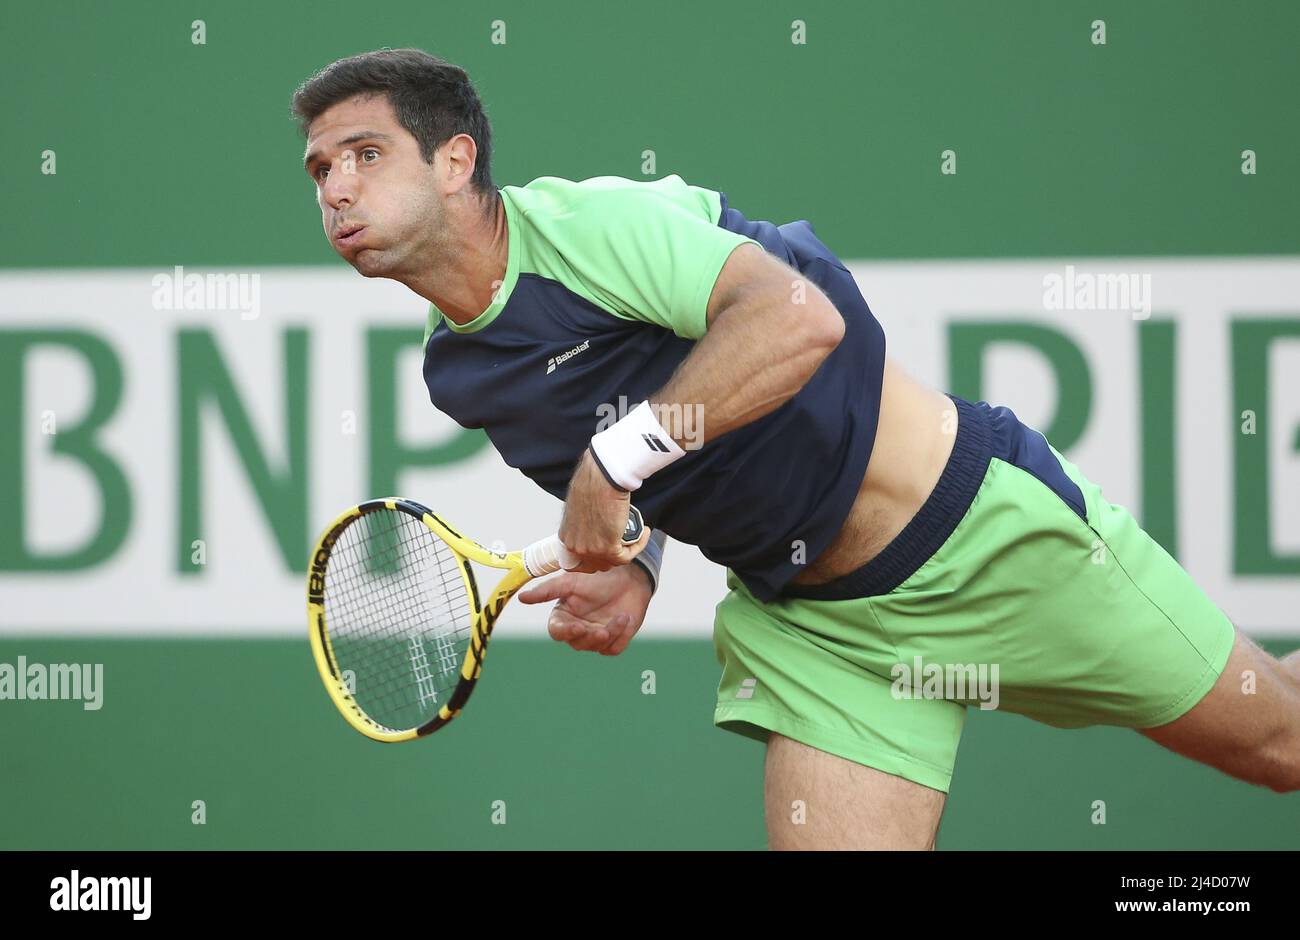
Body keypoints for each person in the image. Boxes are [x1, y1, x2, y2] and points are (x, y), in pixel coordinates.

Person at [291, 48, 1300, 849]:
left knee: (1280, 745)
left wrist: (613, 465)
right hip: (819, 635)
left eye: (365, 153)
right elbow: (646, 489)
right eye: (321, 168)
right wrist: (634, 564)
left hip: (979, 536)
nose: (335, 187)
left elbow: (798, 319)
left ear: (456, 159)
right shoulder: (462, 373)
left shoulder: (591, 228)